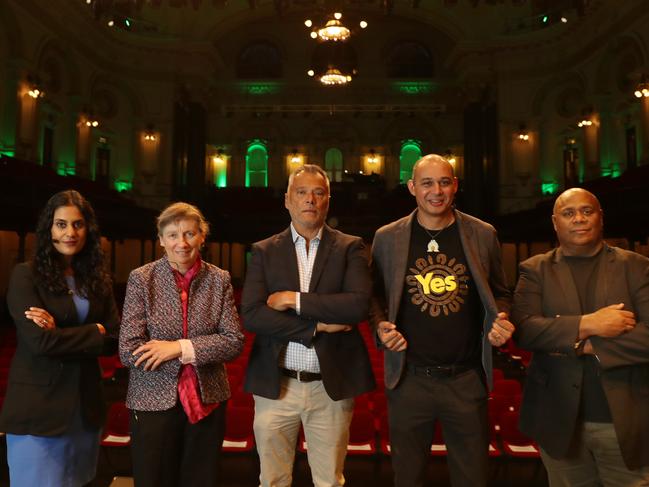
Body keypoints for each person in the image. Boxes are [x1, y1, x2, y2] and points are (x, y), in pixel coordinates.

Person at [370, 154, 514, 487]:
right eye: (427, 183)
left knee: (473, 477)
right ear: (411, 188)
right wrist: (380, 325)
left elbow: (501, 292)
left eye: (444, 182)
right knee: (408, 477)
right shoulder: (387, 237)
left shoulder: (482, 233)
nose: (437, 191)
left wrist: (501, 317)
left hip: (465, 378)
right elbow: (374, 296)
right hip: (408, 379)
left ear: (455, 186)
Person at [241, 164, 375, 487]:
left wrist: (292, 299)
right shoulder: (263, 250)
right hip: (276, 385)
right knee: (272, 480)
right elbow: (253, 314)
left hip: (329, 387)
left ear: (328, 200)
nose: (310, 200)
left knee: (329, 481)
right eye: (301, 192)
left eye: (318, 193)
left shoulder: (350, 247)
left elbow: (356, 305)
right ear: (287, 200)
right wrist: (315, 329)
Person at [512, 187, 649, 486]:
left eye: (587, 211)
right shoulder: (535, 269)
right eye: (569, 213)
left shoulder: (636, 267)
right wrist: (589, 323)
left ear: (601, 217)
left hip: (625, 422)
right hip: (559, 421)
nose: (579, 219)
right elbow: (525, 330)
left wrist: (587, 345)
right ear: (555, 222)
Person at [119, 202, 244, 487]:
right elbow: (128, 349)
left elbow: (233, 342)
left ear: (202, 236)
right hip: (152, 402)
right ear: (161, 240)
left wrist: (177, 348)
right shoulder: (142, 279)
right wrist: (199, 348)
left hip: (207, 401)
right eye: (173, 235)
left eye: (189, 233)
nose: (182, 243)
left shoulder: (219, 279)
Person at [0, 189, 119, 487]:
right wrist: (94, 331)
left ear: (87, 229)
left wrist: (67, 334)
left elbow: (115, 337)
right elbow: (40, 342)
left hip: (84, 408)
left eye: (77, 224)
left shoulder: (97, 279)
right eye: (61, 224)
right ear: (49, 228)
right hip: (40, 410)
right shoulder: (25, 276)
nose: (70, 232)